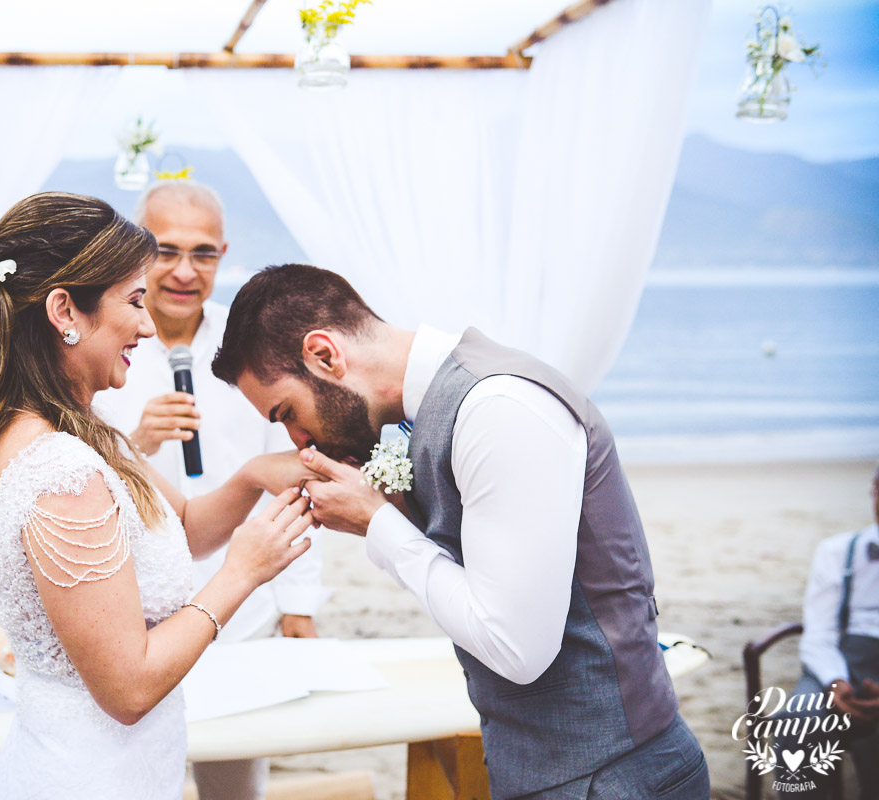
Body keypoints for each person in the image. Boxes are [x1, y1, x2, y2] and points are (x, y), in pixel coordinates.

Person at [210, 264, 709, 800]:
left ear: (324, 355)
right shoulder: (436, 409)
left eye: (287, 412)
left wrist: (377, 523)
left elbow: (515, 648)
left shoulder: (498, 410)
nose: (298, 438)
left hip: (611, 776)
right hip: (551, 769)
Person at [0, 193, 316, 799]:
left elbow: (185, 527)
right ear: (64, 310)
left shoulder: (68, 429)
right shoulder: (62, 471)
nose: (148, 326)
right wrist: (243, 571)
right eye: (133, 300)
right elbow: (128, 688)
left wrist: (255, 475)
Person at [93, 181, 330, 800]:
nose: (184, 271)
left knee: (237, 788)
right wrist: (138, 443)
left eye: (202, 253)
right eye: (167, 252)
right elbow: (79, 475)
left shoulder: (255, 346)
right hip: (137, 616)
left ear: (222, 255)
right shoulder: (106, 346)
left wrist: (298, 603)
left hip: (245, 610)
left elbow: (296, 473)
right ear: (138, 253)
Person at [775, 463, 879, 798]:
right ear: (873, 491)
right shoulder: (838, 551)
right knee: (798, 721)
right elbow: (819, 633)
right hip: (840, 660)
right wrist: (836, 681)